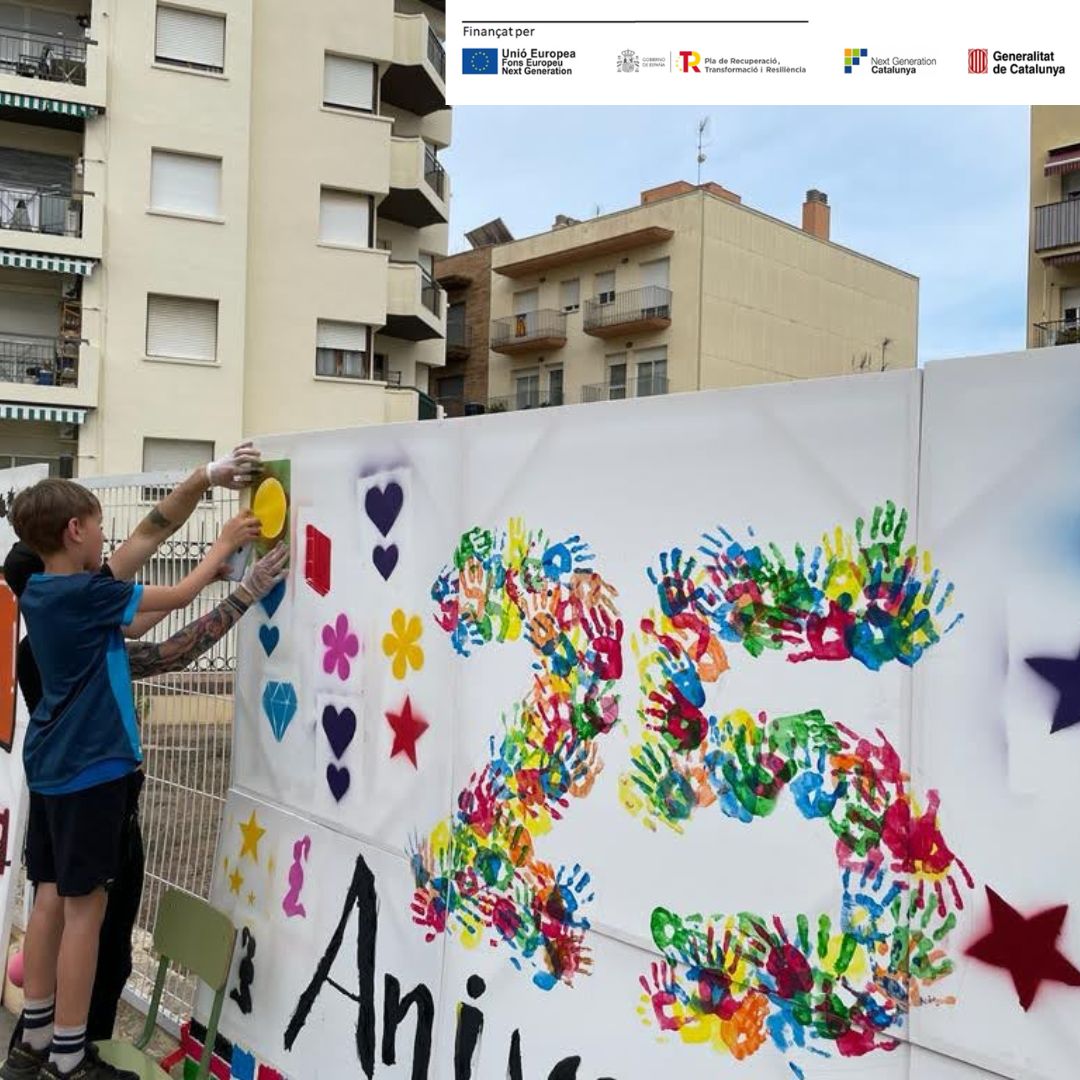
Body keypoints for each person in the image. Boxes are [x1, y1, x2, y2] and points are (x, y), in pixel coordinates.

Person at [1, 449, 264, 1080]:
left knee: (48, 903)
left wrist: (205, 477)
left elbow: (149, 535)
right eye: (96, 527)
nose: (105, 537)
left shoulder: (42, 592)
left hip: (54, 773)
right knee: (86, 914)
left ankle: (31, 1042)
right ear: (74, 533)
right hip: (95, 774)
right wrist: (224, 558)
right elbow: (168, 603)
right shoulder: (89, 594)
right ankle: (70, 1055)